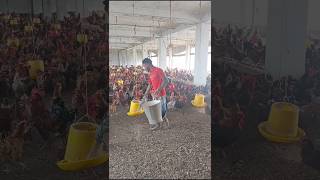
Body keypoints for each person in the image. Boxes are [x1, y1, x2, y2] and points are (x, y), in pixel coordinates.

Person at [142, 58, 169, 130]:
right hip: (155, 94)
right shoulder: (150, 73)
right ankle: (158, 124)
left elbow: (166, 80)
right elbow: (150, 85)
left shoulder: (158, 70)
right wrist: (145, 94)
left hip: (161, 94)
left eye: (144, 66)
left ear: (148, 64)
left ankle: (165, 123)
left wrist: (159, 89)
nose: (144, 68)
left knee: (163, 109)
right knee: (156, 110)